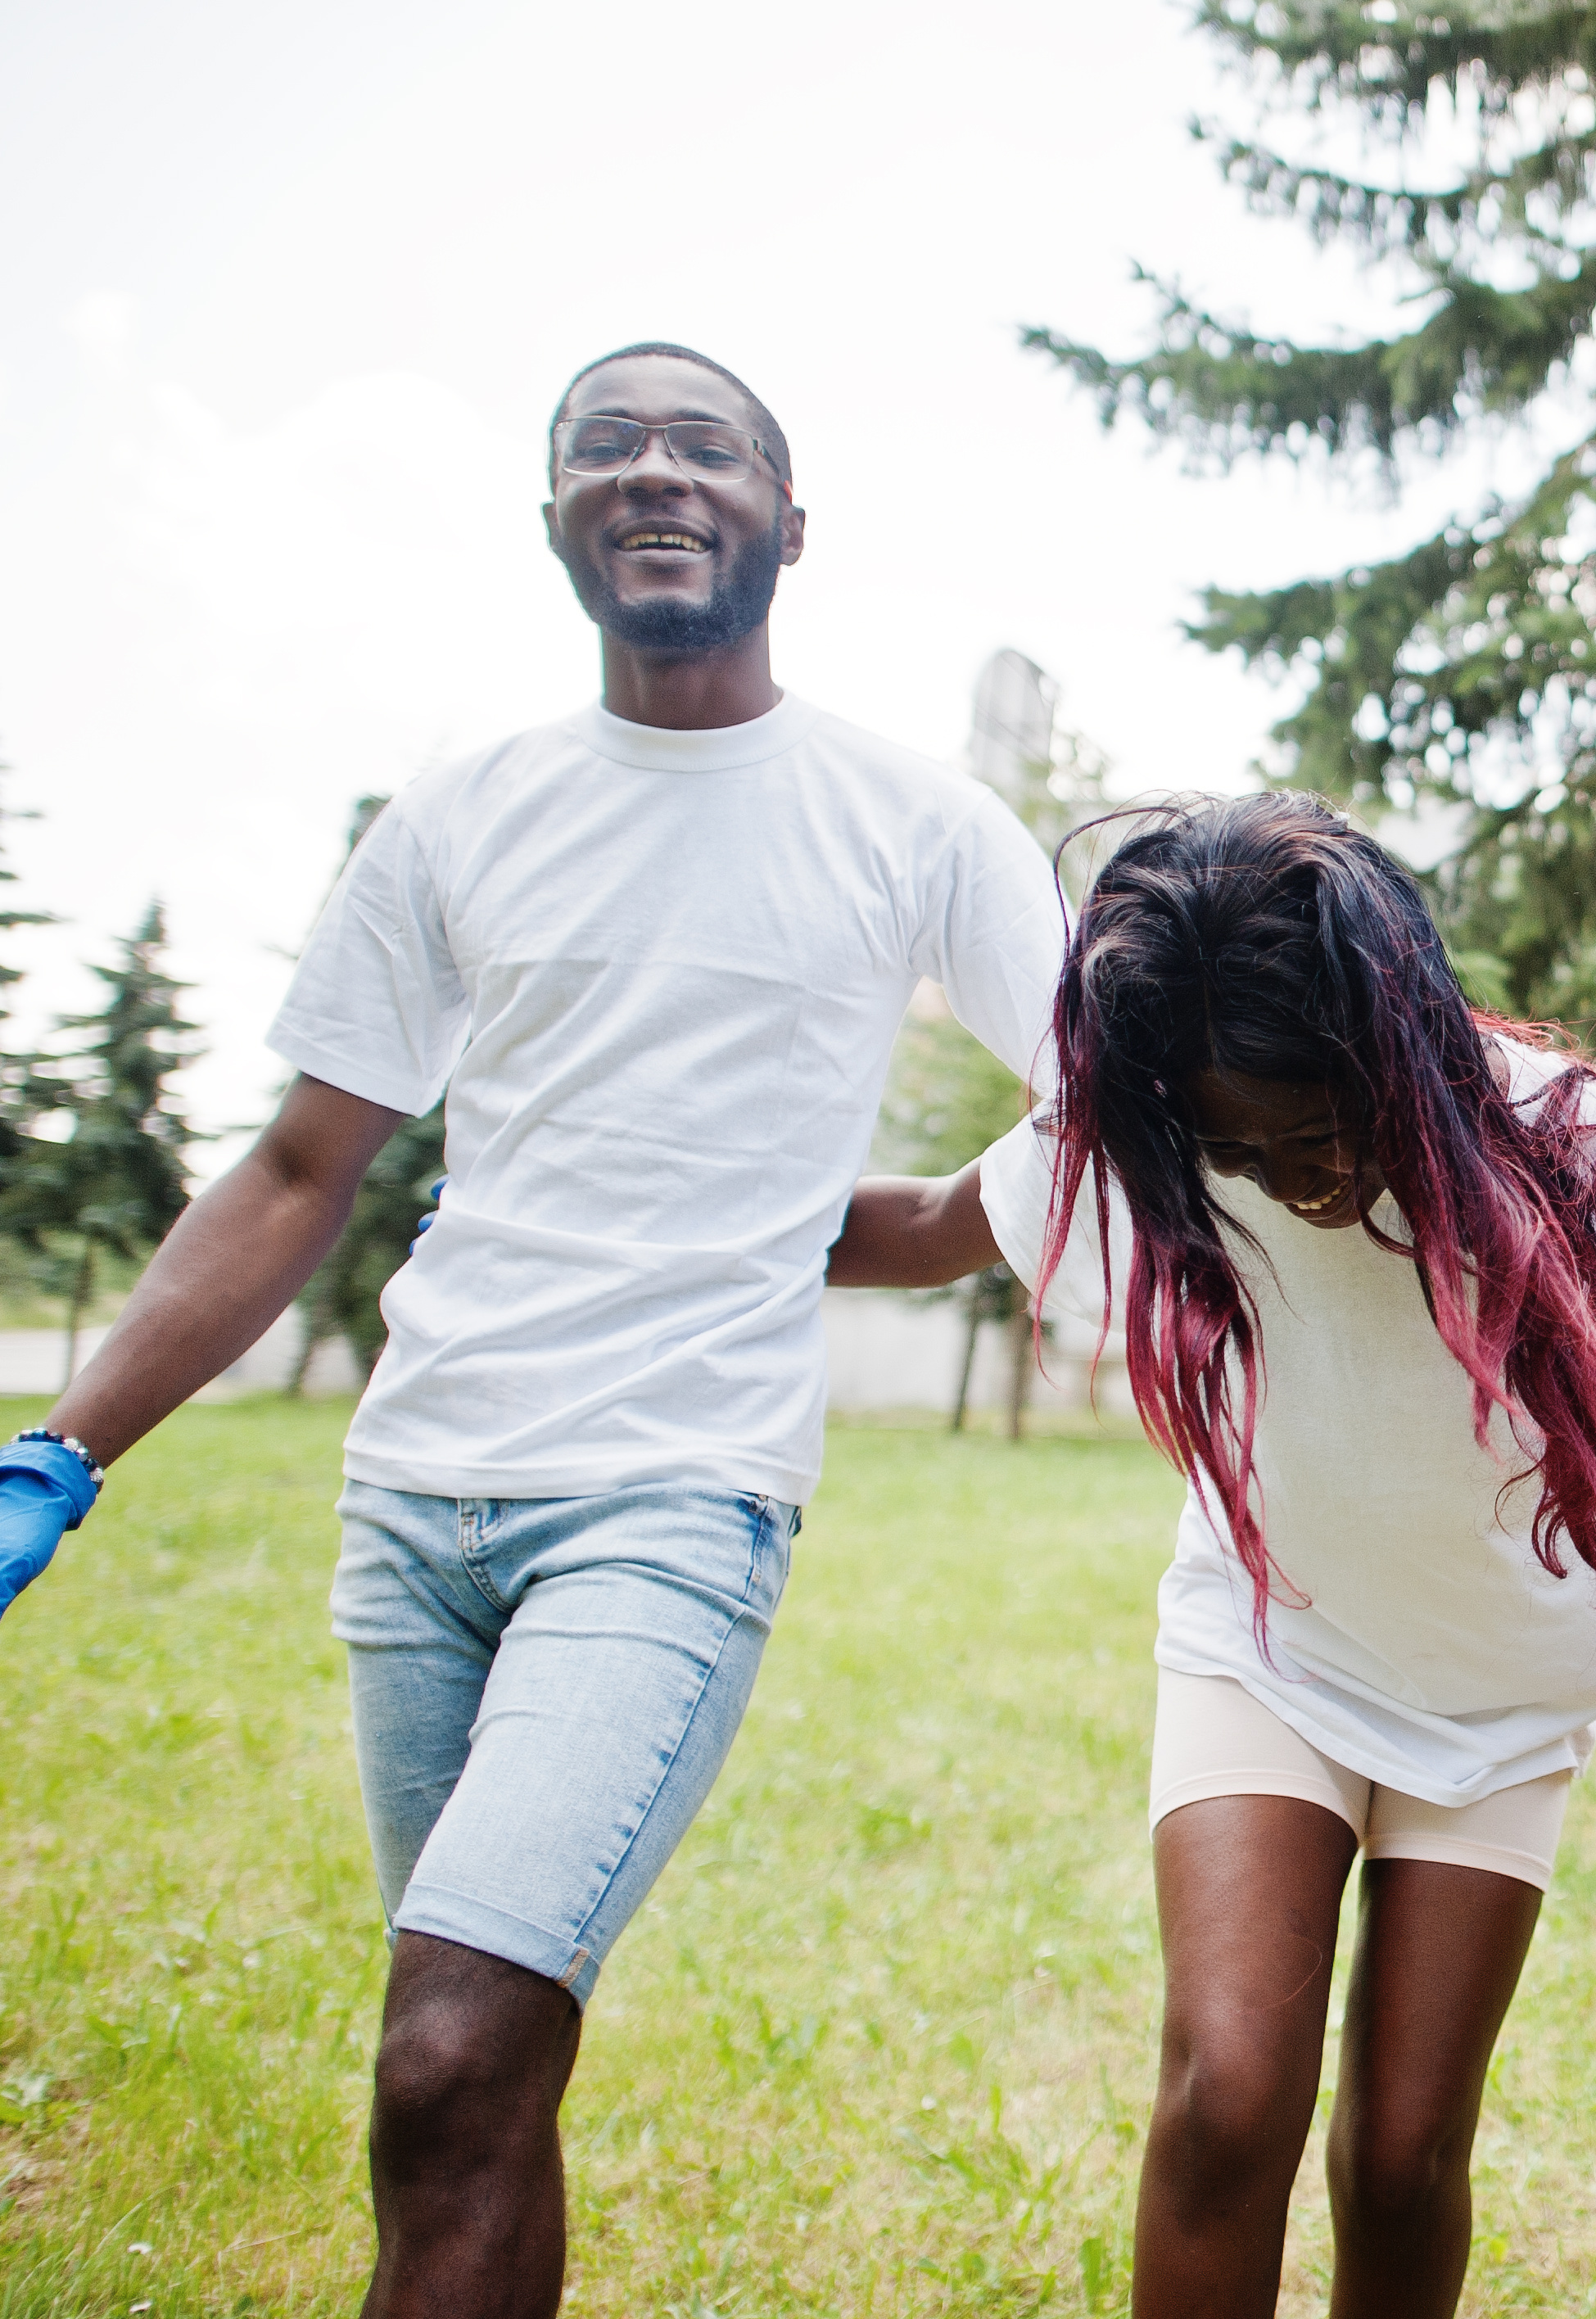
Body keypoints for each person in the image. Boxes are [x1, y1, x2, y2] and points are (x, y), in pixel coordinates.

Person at [0, 343, 1066, 2319]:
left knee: (448, 2052)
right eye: (607, 444)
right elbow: (299, 1169)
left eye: (706, 445)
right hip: (415, 1510)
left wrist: (896, 1229)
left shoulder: (911, 823)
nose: (654, 471)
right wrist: (56, 1450)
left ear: (789, 522)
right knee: (492, 2070)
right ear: (558, 513)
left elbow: (1103, 1096)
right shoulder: (463, 812)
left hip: (669, 1507)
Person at [827, 793, 1596, 2319]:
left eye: (1324, 1128)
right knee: (1230, 2094)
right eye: (1243, 1144)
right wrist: (642, 1219)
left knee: (1404, 2154)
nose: (1292, 1176)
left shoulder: (1573, 1142)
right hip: (1269, 1644)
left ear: (1403, 1049)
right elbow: (917, 1225)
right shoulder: (1141, 1129)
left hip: (1499, 1698)